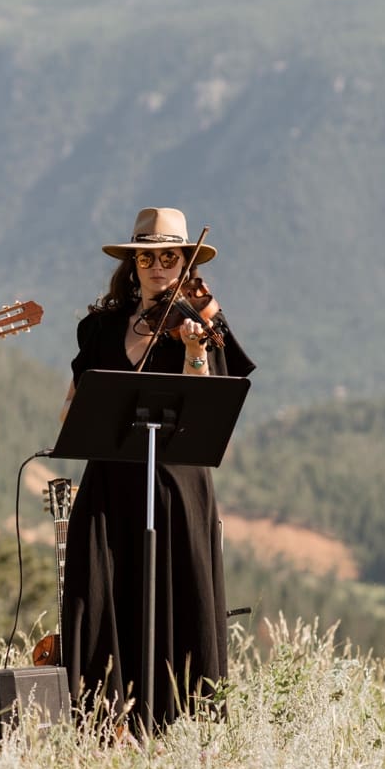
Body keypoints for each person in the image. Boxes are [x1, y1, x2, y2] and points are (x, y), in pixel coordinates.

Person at [58, 206, 254, 732]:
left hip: (177, 484)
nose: (159, 266)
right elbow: (73, 408)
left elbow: (210, 400)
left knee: (179, 590)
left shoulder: (200, 324)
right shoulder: (99, 328)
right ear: (135, 263)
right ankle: (103, 720)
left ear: (186, 263)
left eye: (171, 256)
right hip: (111, 480)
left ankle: (180, 723)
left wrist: (195, 347)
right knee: (99, 592)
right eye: (149, 256)